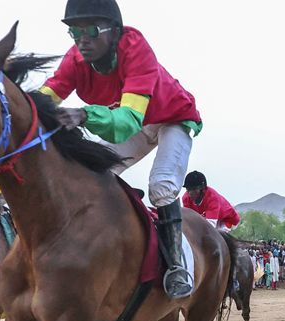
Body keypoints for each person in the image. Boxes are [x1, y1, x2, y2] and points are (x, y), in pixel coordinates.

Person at [40, 0, 202, 299]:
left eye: (90, 31)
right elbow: (44, 99)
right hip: (137, 120)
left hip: (172, 118)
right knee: (93, 172)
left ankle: (177, 267)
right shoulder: (75, 60)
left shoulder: (135, 48)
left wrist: (85, 114)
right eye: (75, 33)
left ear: (114, 32)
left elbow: (128, 122)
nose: (82, 41)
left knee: (162, 186)